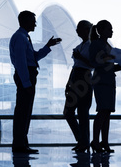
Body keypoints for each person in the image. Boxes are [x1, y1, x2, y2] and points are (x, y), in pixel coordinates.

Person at [9, 10, 61, 154]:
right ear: (25, 21)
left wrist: (47, 46)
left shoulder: (24, 37)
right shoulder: (20, 37)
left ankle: (22, 143)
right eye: (33, 20)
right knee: (23, 111)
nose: (36, 24)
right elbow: (21, 63)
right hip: (26, 76)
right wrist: (26, 83)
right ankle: (19, 144)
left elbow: (33, 57)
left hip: (28, 75)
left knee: (25, 111)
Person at [88, 20, 121, 154]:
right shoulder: (96, 44)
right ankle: (96, 141)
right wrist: (108, 59)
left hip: (108, 80)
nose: (111, 32)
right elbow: (94, 62)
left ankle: (104, 142)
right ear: (101, 31)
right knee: (102, 111)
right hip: (101, 81)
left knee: (107, 112)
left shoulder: (107, 45)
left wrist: (120, 65)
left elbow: (109, 66)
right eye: (109, 29)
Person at [64, 20, 94, 154]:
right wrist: (68, 82)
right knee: (68, 112)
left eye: (80, 29)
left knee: (82, 112)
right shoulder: (79, 46)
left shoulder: (91, 46)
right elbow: (75, 66)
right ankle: (81, 139)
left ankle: (84, 142)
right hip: (76, 77)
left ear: (87, 30)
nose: (77, 31)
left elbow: (92, 64)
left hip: (85, 78)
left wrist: (79, 57)